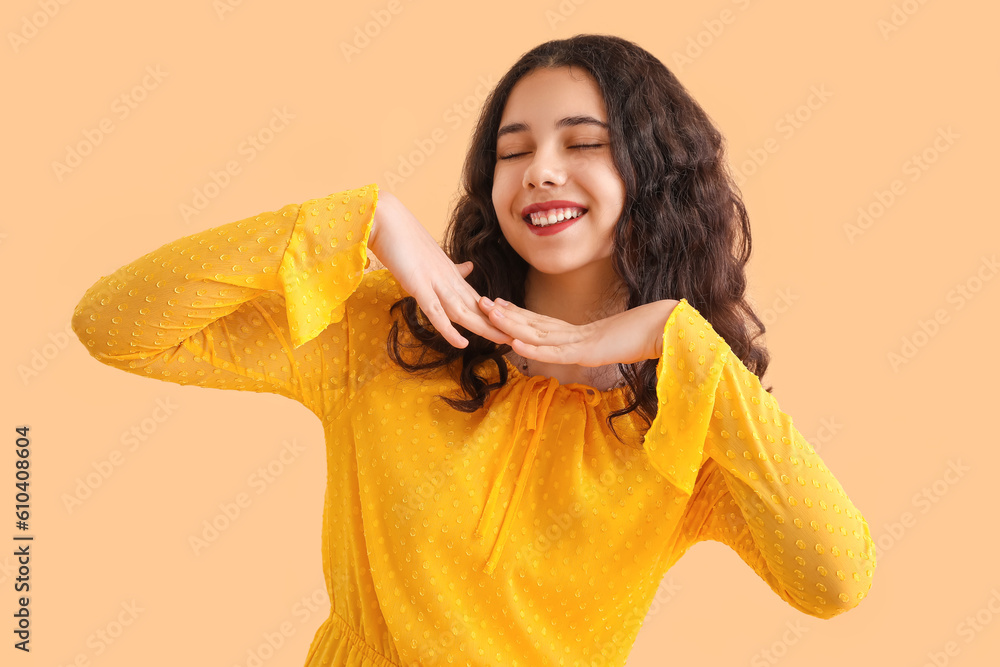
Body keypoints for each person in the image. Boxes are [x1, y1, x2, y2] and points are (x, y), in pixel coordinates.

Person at [72, 34, 875, 667]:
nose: (540, 172)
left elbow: (836, 580)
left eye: (583, 143)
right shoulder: (391, 333)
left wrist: (679, 339)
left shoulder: (687, 411)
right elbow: (114, 324)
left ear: (655, 175)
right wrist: (360, 217)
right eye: (513, 149)